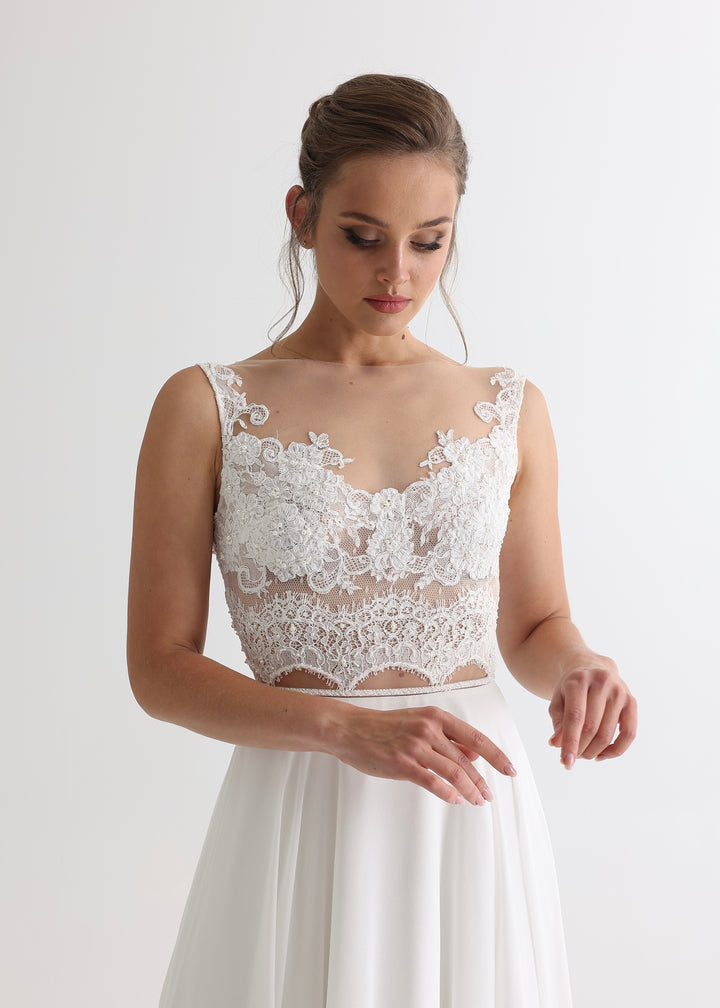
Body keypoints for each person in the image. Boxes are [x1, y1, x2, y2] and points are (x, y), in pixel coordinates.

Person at [128, 73, 637, 1007]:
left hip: (471, 808)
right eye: (362, 237)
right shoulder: (206, 406)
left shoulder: (507, 408)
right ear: (302, 214)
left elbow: (536, 624)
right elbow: (159, 668)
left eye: (429, 242)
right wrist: (340, 729)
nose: (396, 274)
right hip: (302, 797)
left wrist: (579, 666)